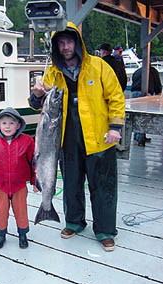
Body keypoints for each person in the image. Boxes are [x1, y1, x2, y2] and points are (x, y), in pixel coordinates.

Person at [29, 22, 125, 251]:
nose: (65, 47)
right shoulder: (52, 71)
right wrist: (36, 95)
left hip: (100, 138)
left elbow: (116, 98)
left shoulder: (99, 66)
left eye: (69, 41)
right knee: (71, 183)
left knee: (103, 186)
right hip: (65, 139)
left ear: (78, 42)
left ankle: (104, 230)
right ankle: (74, 221)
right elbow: (38, 106)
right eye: (60, 43)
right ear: (56, 46)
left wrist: (115, 128)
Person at [0, 107, 38, 249]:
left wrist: (35, 182)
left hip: (20, 186)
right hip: (1, 186)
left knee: (21, 210)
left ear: (18, 125)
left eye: (12, 123)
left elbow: (34, 163)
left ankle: (22, 235)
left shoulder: (28, 141)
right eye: (4, 123)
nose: (8, 126)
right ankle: (1, 235)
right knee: (1, 211)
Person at [131, 65, 162, 146]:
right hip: (145, 94)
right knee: (143, 117)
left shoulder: (137, 71)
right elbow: (158, 85)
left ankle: (136, 136)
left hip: (134, 94)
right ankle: (140, 138)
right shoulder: (153, 71)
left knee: (136, 116)